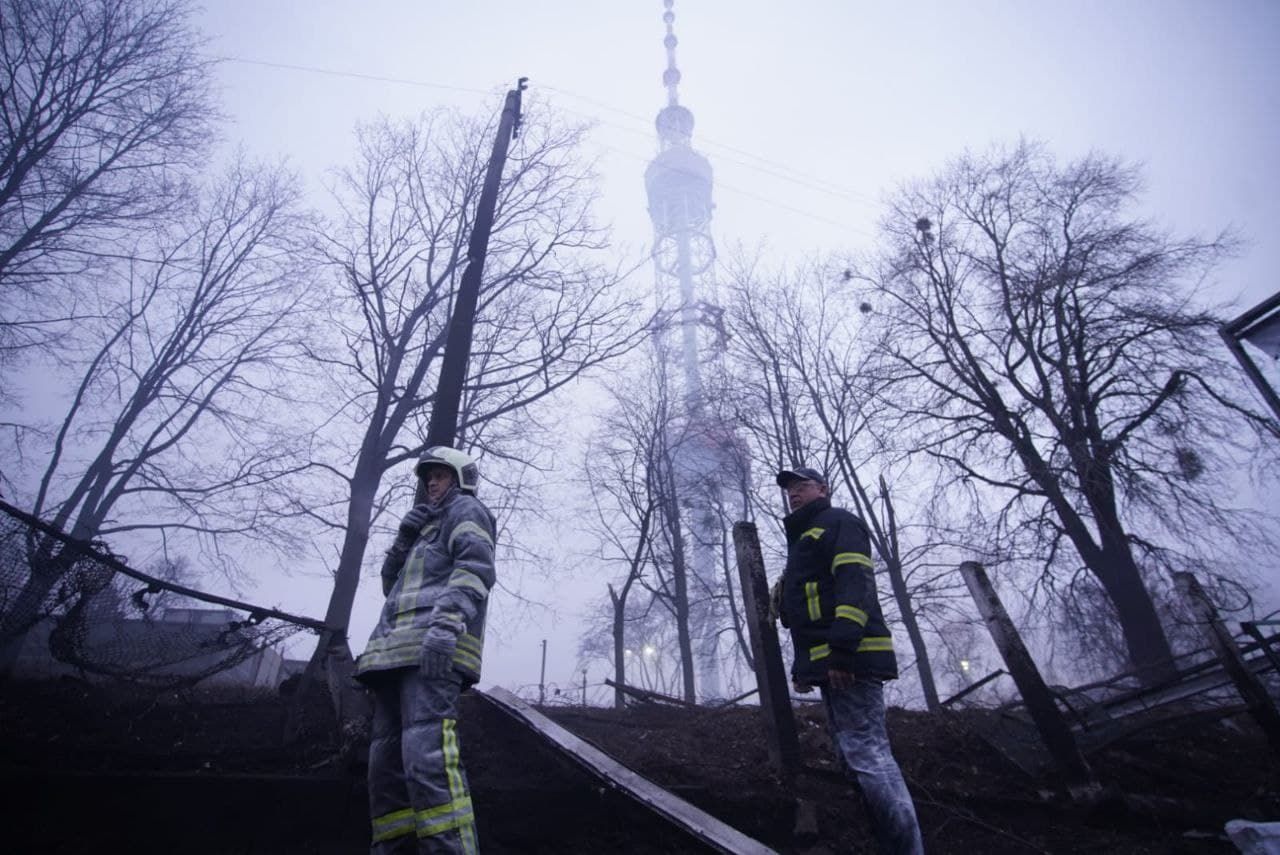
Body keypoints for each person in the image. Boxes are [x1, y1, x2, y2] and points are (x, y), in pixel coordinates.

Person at [773, 465, 924, 855]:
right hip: (833, 662)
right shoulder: (805, 538)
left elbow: (855, 583)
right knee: (853, 756)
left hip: (851, 660)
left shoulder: (839, 523)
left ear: (822, 489)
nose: (793, 493)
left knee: (869, 754)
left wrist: (842, 652)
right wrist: (805, 666)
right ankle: (887, 844)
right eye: (789, 489)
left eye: (801, 485)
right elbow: (811, 608)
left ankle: (907, 848)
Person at [355, 445, 496, 855]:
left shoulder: (467, 511)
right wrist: (402, 540)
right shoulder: (422, 527)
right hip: (393, 655)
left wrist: (445, 626)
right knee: (385, 772)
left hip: (432, 651)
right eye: (428, 477)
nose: (431, 483)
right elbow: (391, 587)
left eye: (440, 475)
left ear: (461, 479)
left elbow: (475, 569)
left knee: (427, 761)